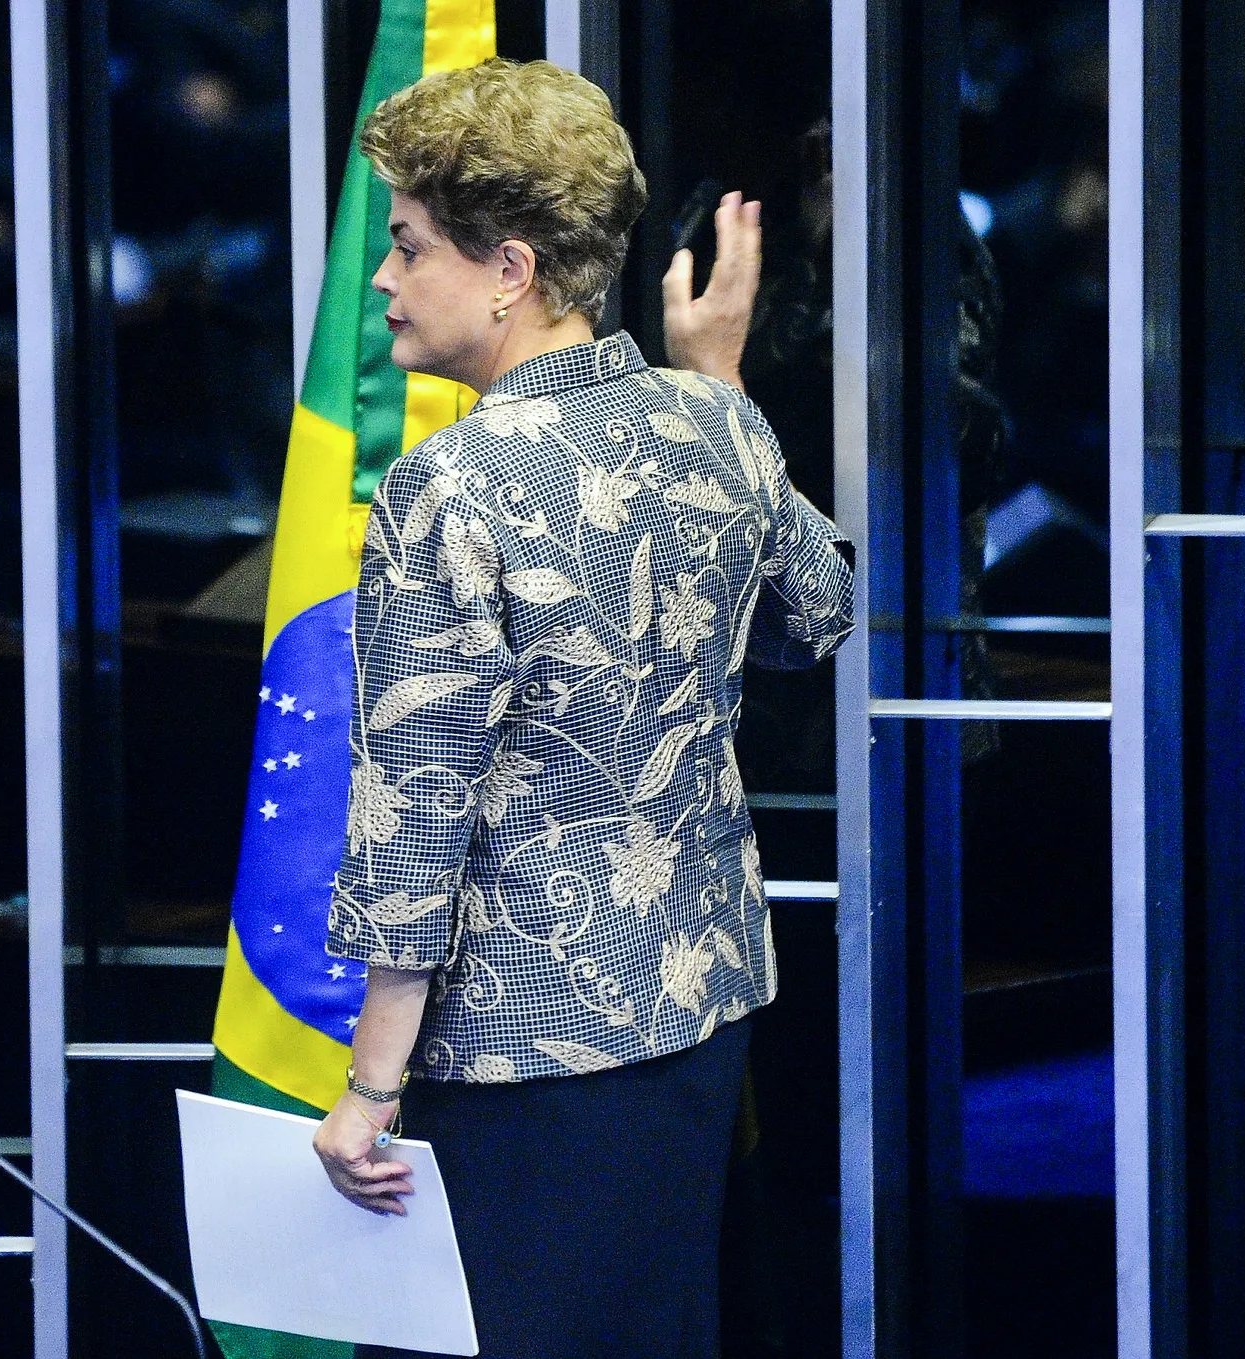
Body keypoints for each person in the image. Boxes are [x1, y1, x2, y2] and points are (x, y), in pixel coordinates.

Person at [309, 59, 854, 1359]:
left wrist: (367, 1086)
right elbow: (819, 612)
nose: (382, 279)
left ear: (508, 267)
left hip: (523, 1047)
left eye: (407, 244)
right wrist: (719, 389)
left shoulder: (448, 486)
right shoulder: (708, 416)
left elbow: (416, 805)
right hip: (696, 1009)